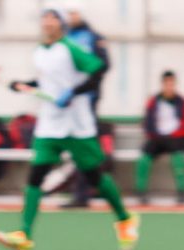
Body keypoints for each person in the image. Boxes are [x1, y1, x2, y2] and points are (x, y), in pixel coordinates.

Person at [0, 8, 138, 250]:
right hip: (49, 124)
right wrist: (24, 84)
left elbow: (99, 69)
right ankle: (24, 235)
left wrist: (74, 93)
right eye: (44, 17)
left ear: (60, 24)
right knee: (36, 176)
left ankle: (125, 219)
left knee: (95, 179)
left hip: (76, 124)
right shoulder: (39, 52)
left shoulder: (70, 49)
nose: (48, 22)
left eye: (53, 18)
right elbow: (47, 82)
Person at [61, 3, 111, 209]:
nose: (71, 17)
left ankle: (86, 191)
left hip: (85, 101)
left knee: (85, 147)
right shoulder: (63, 38)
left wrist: (82, 90)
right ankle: (79, 190)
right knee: (71, 147)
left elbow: (102, 66)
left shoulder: (93, 37)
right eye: (68, 13)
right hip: (65, 103)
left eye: (74, 12)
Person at [136, 70, 184, 205]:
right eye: (167, 83)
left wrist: (178, 134)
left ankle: (182, 191)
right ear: (162, 84)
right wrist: (153, 134)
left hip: (176, 138)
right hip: (157, 137)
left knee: (178, 157)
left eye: (172, 83)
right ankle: (141, 191)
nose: (169, 86)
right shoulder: (154, 101)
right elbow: (147, 122)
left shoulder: (182, 102)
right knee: (144, 157)